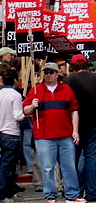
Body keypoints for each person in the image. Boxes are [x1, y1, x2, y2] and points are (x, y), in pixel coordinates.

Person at [23, 62, 86, 203]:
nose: (48, 75)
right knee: (47, 168)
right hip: (44, 136)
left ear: (57, 74)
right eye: (46, 72)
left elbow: (74, 111)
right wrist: (32, 106)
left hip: (65, 135)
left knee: (69, 167)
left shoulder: (67, 89)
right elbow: (25, 111)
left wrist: (75, 131)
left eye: (51, 72)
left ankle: (72, 195)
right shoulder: (35, 90)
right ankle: (50, 196)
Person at [0, 69, 24, 201]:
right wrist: (27, 111)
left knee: (6, 163)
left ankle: (7, 191)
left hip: (1, 132)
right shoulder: (16, 95)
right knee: (7, 165)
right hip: (12, 132)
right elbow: (18, 115)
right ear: (15, 80)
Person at [65, 54, 96, 201]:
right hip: (93, 125)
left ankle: (76, 192)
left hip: (73, 127)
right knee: (92, 160)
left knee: (72, 161)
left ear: (72, 66)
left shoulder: (68, 81)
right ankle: (92, 193)